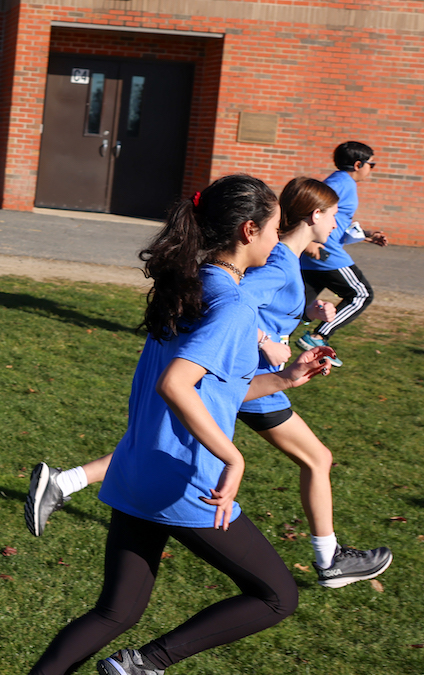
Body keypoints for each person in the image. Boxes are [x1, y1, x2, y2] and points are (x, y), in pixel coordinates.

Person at [0, 175, 335, 675]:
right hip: (182, 478)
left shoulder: (193, 283)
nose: (278, 241)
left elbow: (219, 388)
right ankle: (146, 666)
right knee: (276, 596)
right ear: (249, 231)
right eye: (273, 228)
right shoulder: (235, 303)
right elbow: (178, 384)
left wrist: (287, 379)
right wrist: (233, 455)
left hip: (137, 471)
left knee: (117, 610)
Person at [25, 177, 391, 589]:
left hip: (233, 373)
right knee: (316, 460)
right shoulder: (281, 260)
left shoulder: (287, 259)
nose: (341, 224)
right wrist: (265, 341)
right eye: (337, 215)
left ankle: (65, 481)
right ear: (316, 215)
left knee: (160, 446)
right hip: (237, 376)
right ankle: (330, 560)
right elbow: (234, 300)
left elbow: (251, 300)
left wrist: (308, 309)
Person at [297, 141, 388, 360]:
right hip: (324, 252)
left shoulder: (342, 182)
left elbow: (337, 220)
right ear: (358, 164)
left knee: (296, 304)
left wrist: (367, 235)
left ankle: (269, 338)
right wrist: (309, 240)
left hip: (317, 254)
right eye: (371, 164)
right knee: (361, 293)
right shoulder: (341, 182)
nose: (371, 169)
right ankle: (318, 337)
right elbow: (309, 204)